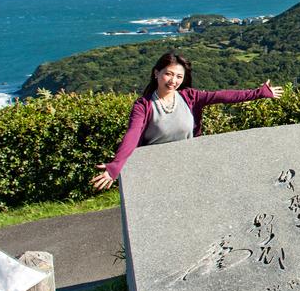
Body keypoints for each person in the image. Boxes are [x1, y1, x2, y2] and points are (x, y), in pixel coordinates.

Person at [90, 51, 283, 190]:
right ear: (156, 73)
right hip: (156, 170)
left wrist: (259, 93)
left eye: (179, 76)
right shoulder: (144, 106)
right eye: (168, 73)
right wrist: (115, 166)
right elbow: (132, 135)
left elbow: (223, 96)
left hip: (188, 164)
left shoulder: (189, 97)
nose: (173, 80)